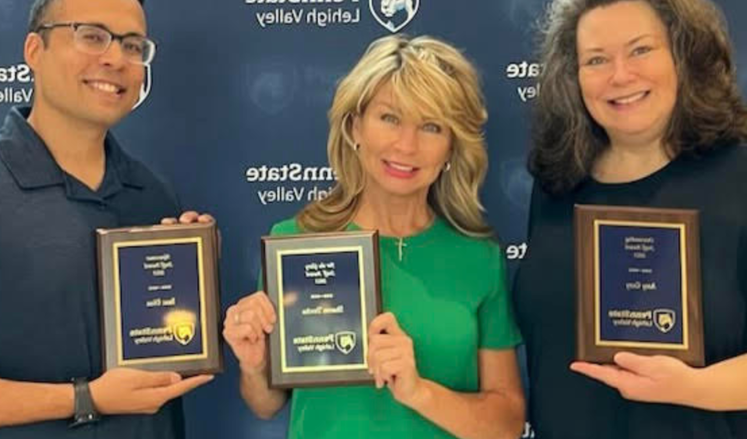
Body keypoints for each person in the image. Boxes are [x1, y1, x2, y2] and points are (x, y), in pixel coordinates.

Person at [223, 34, 526, 439]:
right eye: (390, 118)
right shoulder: (295, 244)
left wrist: (418, 392)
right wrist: (253, 364)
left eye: (432, 126)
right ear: (354, 127)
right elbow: (266, 404)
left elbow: (506, 424)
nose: (407, 145)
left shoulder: (477, 258)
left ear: (452, 148)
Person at [514, 0, 747, 437]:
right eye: (596, 59)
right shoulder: (560, 186)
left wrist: (696, 387)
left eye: (640, 50)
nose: (620, 75)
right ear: (573, 77)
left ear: (683, 55)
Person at [0, 0, 213, 437]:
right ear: (34, 50)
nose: (116, 58)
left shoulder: (153, 195)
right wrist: (86, 398)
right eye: (92, 36)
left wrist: (194, 269)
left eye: (134, 45)